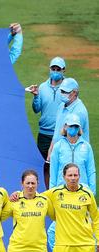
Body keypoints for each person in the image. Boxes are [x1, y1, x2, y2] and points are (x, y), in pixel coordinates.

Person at [28, 56, 66, 188]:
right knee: (44, 165)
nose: (55, 71)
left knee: (60, 166)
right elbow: (36, 109)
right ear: (50, 69)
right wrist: (36, 96)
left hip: (61, 135)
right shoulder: (43, 87)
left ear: (63, 71)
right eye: (53, 68)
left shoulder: (67, 88)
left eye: (58, 69)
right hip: (44, 134)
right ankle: (46, 192)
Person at [49, 114, 96, 194]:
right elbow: (53, 170)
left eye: (76, 126)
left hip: (82, 190)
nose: (73, 128)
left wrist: (92, 191)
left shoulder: (86, 147)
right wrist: (52, 191)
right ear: (65, 127)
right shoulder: (58, 146)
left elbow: (91, 170)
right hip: (62, 190)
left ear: (79, 128)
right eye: (71, 126)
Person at [48, 78, 90, 160]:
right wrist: (50, 152)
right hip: (58, 153)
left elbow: (73, 140)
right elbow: (56, 133)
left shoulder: (79, 112)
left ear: (74, 93)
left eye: (65, 92)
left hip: (71, 157)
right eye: (61, 91)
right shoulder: (61, 106)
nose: (62, 94)